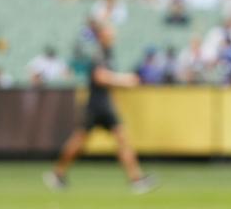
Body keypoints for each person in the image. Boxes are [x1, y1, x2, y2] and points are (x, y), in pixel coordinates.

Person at [44, 20, 156, 194]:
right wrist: (123, 79)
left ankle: (136, 178)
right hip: (96, 105)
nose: (113, 35)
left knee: (121, 139)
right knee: (79, 141)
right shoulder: (99, 53)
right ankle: (57, 173)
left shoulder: (108, 52)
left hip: (105, 103)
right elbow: (99, 77)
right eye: (110, 32)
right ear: (102, 35)